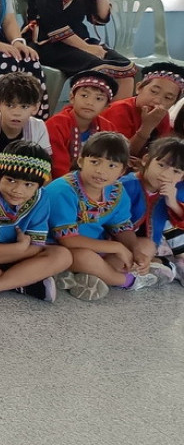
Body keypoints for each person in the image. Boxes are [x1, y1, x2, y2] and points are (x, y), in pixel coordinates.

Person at [44, 132, 172, 300]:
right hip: (58, 249)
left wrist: (135, 250)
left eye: (112, 166)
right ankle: (128, 280)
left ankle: (88, 276)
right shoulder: (63, 190)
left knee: (146, 245)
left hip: (97, 248)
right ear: (81, 160)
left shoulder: (116, 190)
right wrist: (117, 248)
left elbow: (122, 227)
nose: (101, 171)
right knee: (84, 257)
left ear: (122, 170)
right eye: (95, 162)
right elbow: (68, 240)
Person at [0, 141, 71, 301]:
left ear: (39, 185)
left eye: (28, 184)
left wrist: (21, 250)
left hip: (12, 257)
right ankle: (22, 281)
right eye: (10, 180)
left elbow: (37, 246)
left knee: (63, 255)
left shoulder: (41, 197)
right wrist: (18, 248)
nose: (18, 190)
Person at [120, 136, 184, 283]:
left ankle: (162, 264)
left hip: (154, 242)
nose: (165, 175)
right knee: (143, 249)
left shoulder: (176, 190)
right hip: (123, 240)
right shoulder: (127, 185)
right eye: (161, 165)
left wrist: (172, 202)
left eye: (176, 171)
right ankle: (161, 264)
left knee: (148, 247)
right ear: (146, 159)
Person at [96, 62, 184, 158]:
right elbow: (118, 155)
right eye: (154, 91)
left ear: (174, 103)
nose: (158, 100)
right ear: (139, 88)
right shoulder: (118, 110)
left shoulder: (162, 115)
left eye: (168, 98)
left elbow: (160, 151)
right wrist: (147, 128)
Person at [46, 70, 117, 180]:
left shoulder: (108, 128)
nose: (89, 102)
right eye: (84, 95)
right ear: (72, 98)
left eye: (98, 98)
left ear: (106, 106)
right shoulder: (56, 124)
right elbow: (58, 167)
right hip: (63, 183)